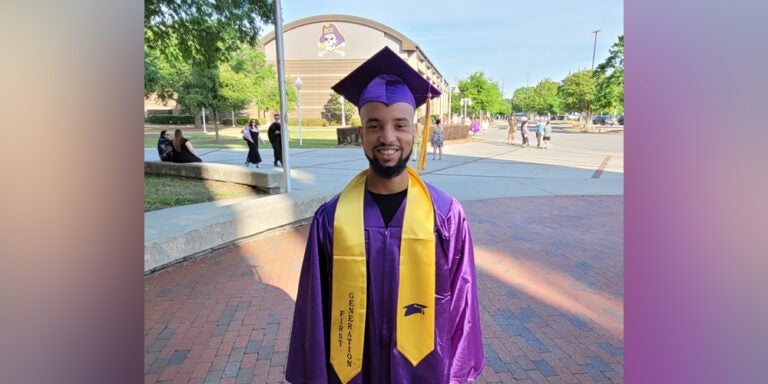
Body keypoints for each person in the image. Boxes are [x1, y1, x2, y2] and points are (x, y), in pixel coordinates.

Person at [285, 46, 484, 384]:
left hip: (424, 373)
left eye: (399, 126)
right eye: (374, 126)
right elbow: (314, 313)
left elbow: (462, 309)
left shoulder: (447, 217)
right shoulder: (329, 220)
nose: (387, 137)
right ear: (361, 134)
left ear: (414, 133)